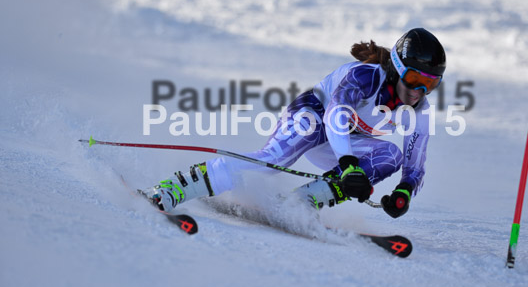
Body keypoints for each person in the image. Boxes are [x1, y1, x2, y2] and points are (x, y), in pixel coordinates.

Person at [142, 27, 446, 219]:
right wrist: (350, 164)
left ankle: (299, 205)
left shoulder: (419, 111)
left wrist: (403, 193)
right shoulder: (364, 77)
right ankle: (175, 188)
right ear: (395, 68)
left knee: (390, 156)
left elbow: (415, 164)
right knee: (271, 162)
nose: (419, 91)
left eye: (430, 84)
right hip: (314, 115)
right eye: (414, 79)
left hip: (342, 142)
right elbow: (335, 117)